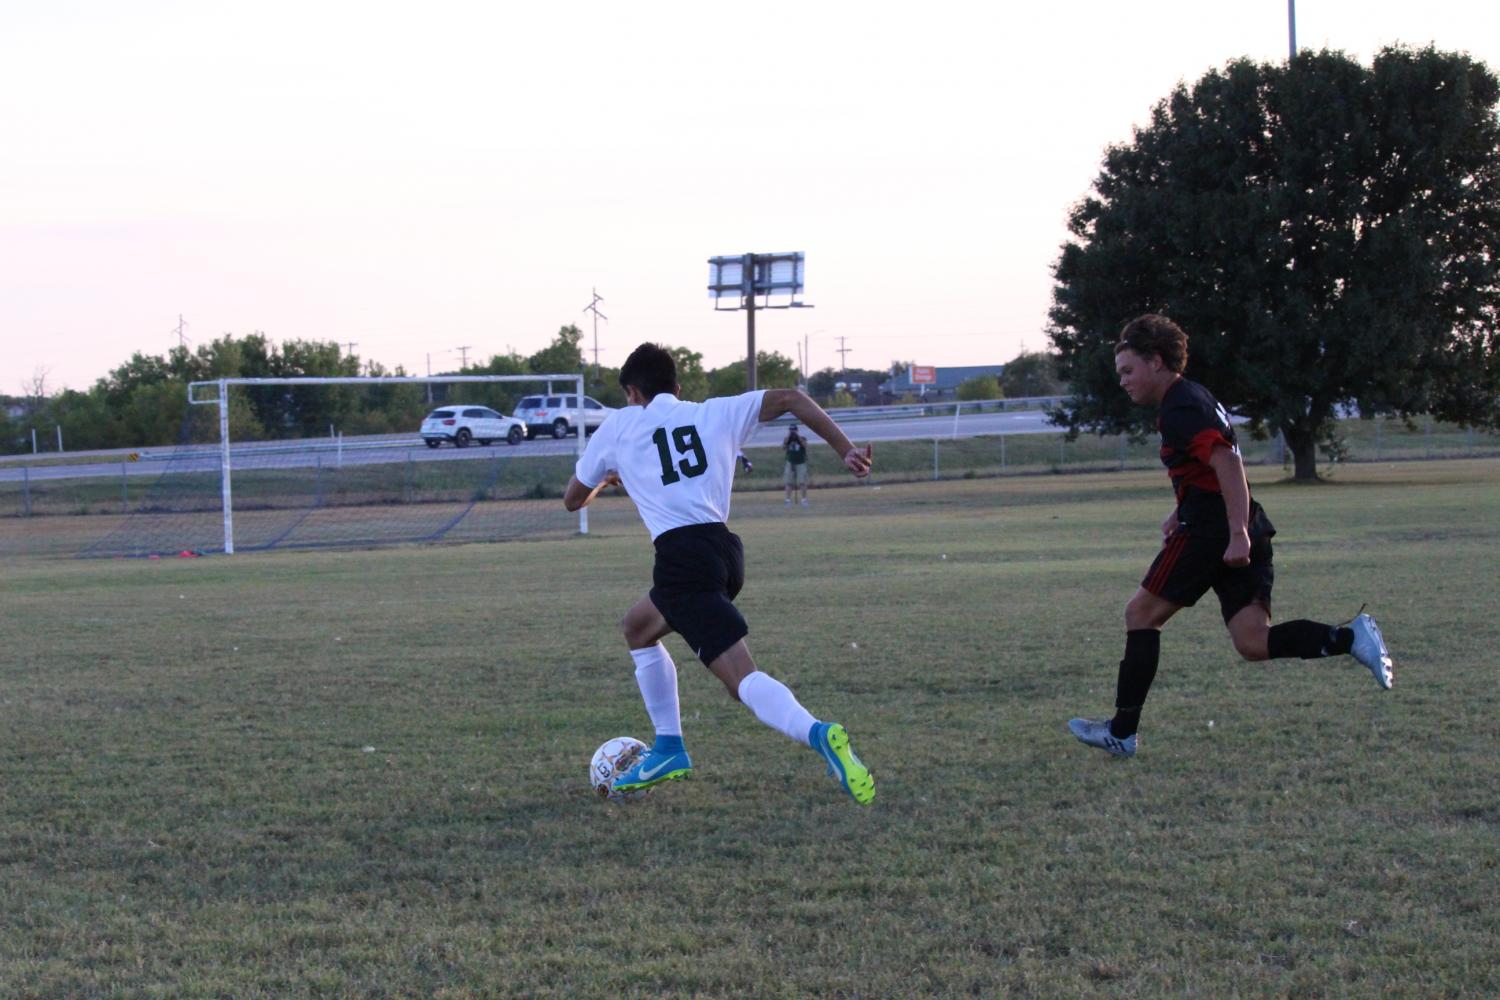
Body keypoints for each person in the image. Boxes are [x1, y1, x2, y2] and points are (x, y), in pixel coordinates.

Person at [1068, 314, 1394, 758]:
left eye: (1128, 371)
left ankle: (1122, 732)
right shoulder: (1192, 396)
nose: (1123, 382)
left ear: (1157, 362)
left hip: (1212, 533)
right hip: (1233, 523)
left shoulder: (1180, 407)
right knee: (1253, 642)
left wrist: (1235, 532)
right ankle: (1351, 638)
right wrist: (1182, 509)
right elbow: (1208, 470)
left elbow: (1228, 464)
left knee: (1141, 615)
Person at [563, 343, 877, 803]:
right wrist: (846, 449)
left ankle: (817, 733)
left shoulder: (619, 426)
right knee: (637, 627)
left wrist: (609, 479)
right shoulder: (715, 413)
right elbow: (790, 397)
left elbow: (573, 498)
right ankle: (668, 744)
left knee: (742, 681)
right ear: (677, 385)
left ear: (633, 392)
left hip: (682, 557)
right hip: (724, 552)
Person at [783, 424, 810, 506]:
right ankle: (787, 500)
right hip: (790, 462)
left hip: (801, 462)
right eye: (791, 430)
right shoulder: (787, 439)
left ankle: (804, 499)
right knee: (788, 482)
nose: (792, 432)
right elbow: (783, 447)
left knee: (802, 482)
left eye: (794, 430)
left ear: (797, 430)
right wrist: (789, 437)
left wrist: (797, 436)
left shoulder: (802, 438)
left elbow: (804, 445)